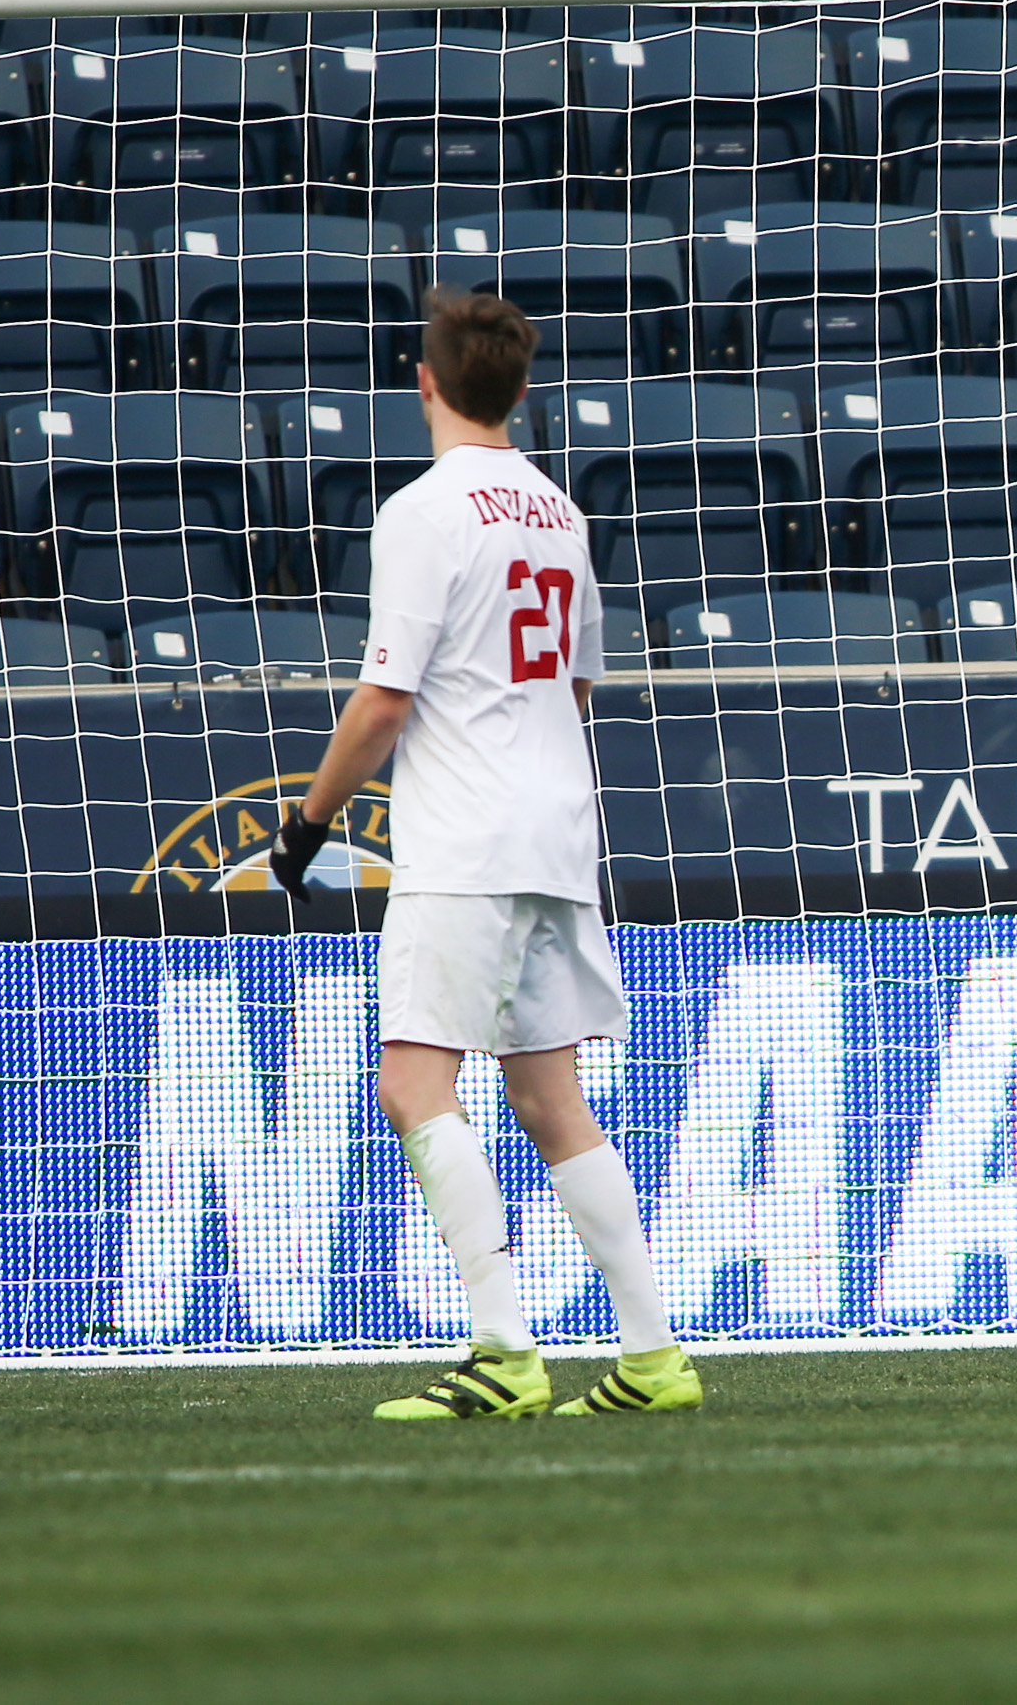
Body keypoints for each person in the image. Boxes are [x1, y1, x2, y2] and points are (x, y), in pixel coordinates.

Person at [272, 289, 693, 1422]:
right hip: (561, 829)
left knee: (413, 1083)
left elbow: (382, 701)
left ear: (425, 380)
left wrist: (308, 824)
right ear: (519, 385)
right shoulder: (560, 510)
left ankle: (503, 1351)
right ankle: (655, 1356)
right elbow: (584, 681)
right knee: (550, 1094)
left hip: (464, 837)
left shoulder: (422, 510)